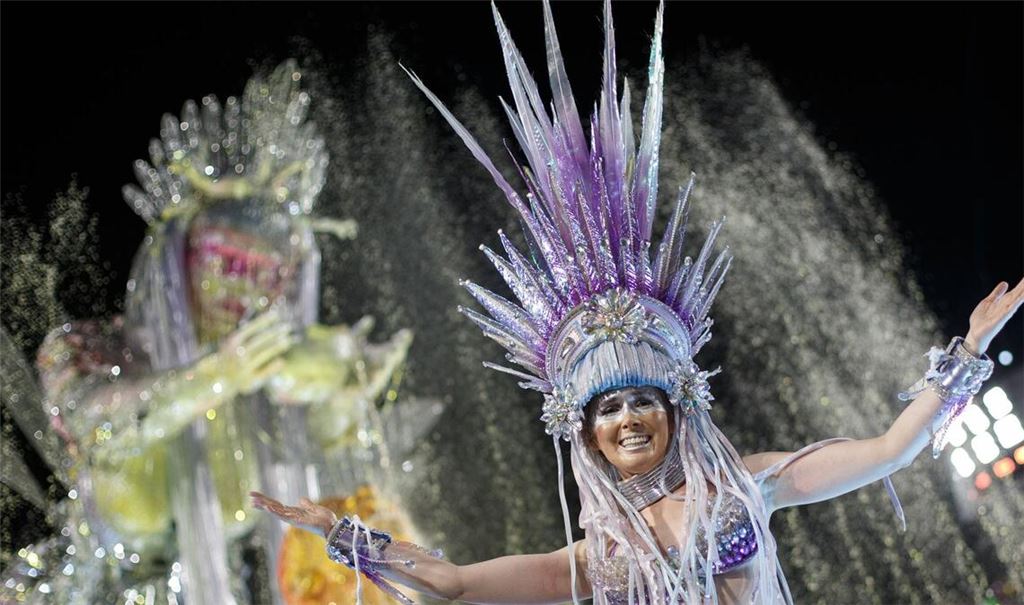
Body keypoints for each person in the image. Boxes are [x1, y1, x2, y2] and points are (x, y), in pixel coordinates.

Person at [251, 2, 1022, 603]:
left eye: (642, 399)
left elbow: (890, 450)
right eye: (609, 406)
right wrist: (343, 533)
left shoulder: (745, 485)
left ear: (675, 405)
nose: (627, 418)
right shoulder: (597, 557)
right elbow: (453, 582)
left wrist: (969, 351)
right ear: (585, 429)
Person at [36, 61, 412, 604]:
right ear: (177, 260)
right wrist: (215, 376)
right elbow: (97, 425)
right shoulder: (92, 350)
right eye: (227, 263)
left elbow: (327, 457)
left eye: (266, 272)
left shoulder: (267, 384)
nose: (243, 290)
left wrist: (348, 396)